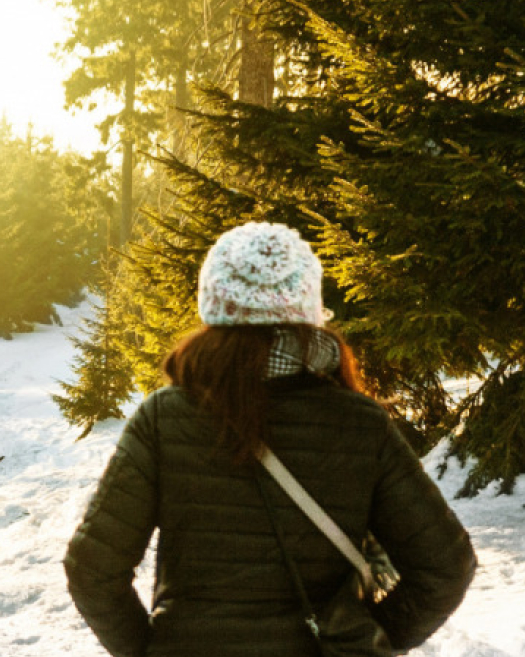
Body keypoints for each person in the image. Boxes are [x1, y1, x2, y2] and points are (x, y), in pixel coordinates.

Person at [65, 222, 476, 657]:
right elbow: (446, 566)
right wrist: (368, 637)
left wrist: (151, 649)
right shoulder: (361, 423)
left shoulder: (163, 418)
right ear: (308, 309)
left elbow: (93, 568)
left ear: (214, 307)